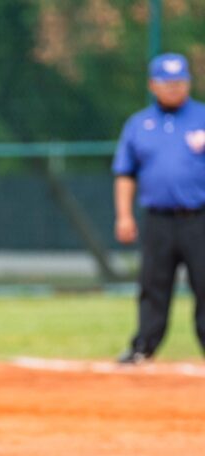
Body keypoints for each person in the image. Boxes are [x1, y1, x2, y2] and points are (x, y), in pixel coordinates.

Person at [113, 52, 205, 364]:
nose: (175, 88)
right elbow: (125, 173)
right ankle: (144, 346)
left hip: (199, 218)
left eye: (181, 81)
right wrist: (124, 215)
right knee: (153, 284)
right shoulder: (140, 124)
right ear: (153, 85)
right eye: (168, 83)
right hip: (157, 219)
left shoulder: (202, 117)